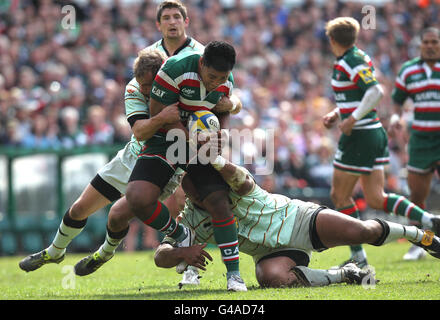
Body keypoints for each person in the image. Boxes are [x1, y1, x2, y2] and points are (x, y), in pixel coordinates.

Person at [152, 153, 440, 288]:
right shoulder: (189, 217)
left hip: (298, 219)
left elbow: (236, 173)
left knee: (361, 230)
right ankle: (345, 273)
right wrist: (181, 252)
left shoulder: (235, 184)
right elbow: (159, 257)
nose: (194, 191)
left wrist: (210, 155)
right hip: (270, 253)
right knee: (270, 278)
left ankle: (419, 235)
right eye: (188, 186)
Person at [18, 49, 182, 273]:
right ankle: (55, 252)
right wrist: (163, 117)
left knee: (116, 216)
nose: (144, 89)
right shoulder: (133, 88)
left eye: (149, 85)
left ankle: (104, 253)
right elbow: (141, 131)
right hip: (131, 158)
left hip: (160, 165)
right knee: (79, 209)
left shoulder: (178, 86)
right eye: (141, 84)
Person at [124, 40, 247, 291]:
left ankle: (234, 275)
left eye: (220, 78)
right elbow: (161, 113)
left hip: (198, 143)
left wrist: (220, 134)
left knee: (218, 201)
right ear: (201, 63)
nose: (215, 82)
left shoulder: (225, 78)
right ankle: (182, 235)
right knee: (136, 198)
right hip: (165, 139)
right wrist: (191, 140)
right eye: (211, 76)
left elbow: (221, 110)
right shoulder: (174, 69)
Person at [322, 17, 440, 268]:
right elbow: (356, 94)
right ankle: (428, 219)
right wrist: (338, 112)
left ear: (332, 40)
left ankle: (359, 258)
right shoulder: (358, 57)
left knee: (339, 196)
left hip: (361, 135)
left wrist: (351, 118)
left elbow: (375, 92)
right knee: (376, 198)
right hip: (374, 132)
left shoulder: (349, 61)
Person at [391, 27, 440, 261]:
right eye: (426, 42)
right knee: (417, 196)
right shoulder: (408, 70)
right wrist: (395, 119)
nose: (430, 45)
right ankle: (422, 243)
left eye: (435, 42)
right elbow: (397, 101)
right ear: (420, 44)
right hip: (420, 139)